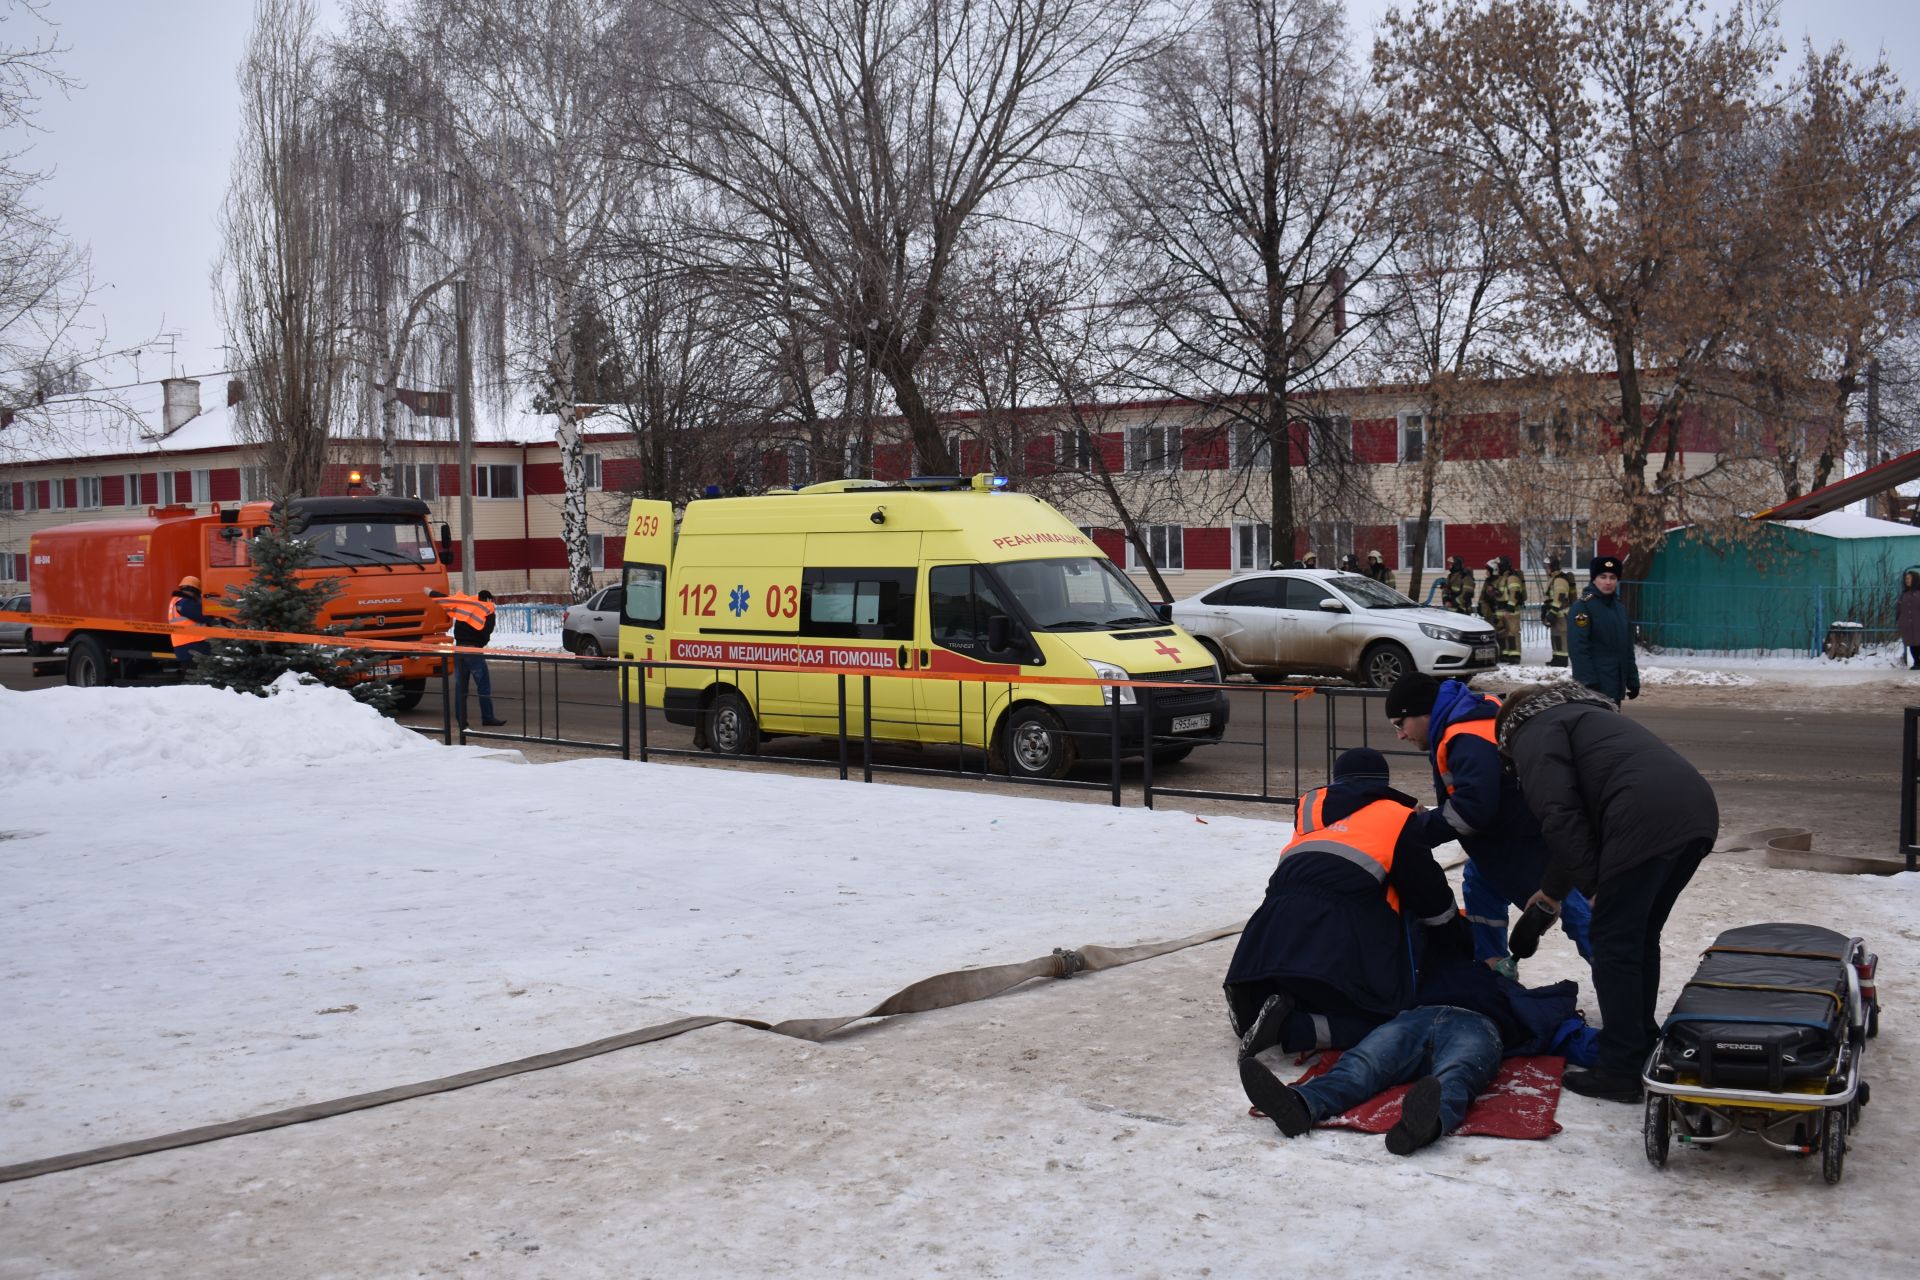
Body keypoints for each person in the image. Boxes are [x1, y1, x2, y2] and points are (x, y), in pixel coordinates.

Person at [1496, 682, 1720, 1101]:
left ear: (1509, 732)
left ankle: (1619, 1069)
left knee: (1613, 940)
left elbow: (1559, 815)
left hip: (1641, 817)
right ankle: (1641, 1040)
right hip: (1695, 812)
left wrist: (1595, 886)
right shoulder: (1583, 716)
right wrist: (1551, 892)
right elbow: (1583, 818)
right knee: (1637, 935)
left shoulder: (1531, 731)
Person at [1224, 748, 1464, 1058]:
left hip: (1265, 943)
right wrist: (1457, 939)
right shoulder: (1396, 818)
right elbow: (1429, 895)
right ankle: (1292, 1029)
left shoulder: (1310, 818)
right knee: (1390, 1018)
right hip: (1337, 943)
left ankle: (1261, 1004)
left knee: (1315, 985)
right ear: (1383, 784)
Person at [1239, 949, 1590, 1156]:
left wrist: (1512, 986)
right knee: (1363, 1064)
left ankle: (1423, 1125)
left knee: (1458, 1073)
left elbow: (1552, 1013)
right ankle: (1299, 1106)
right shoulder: (1436, 968)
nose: (1495, 961)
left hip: (1477, 1025)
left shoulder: (1510, 993)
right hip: (1416, 1017)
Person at [1385, 673, 1592, 968]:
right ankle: (1492, 969)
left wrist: (1417, 832)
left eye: (1399, 724)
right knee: (1480, 886)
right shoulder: (1465, 720)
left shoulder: (1465, 735)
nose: (1400, 735)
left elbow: (1473, 809)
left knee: (1576, 912)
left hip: (1530, 845)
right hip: (1505, 842)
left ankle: (1623, 989)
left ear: (1423, 713)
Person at [433, 587, 508, 729]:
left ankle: (461, 720)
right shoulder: (488, 610)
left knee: (461, 687)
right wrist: (482, 642)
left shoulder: (466, 606)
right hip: (474, 651)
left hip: (459, 650)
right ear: (488, 600)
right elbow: (487, 631)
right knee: (483, 686)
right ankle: (488, 717)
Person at [1568, 554, 1639, 702]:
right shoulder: (1583, 607)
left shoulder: (1619, 609)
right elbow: (1578, 647)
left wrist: (1632, 679)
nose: (1608, 582)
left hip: (1615, 687)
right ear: (1594, 578)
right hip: (1593, 688)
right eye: (1603, 577)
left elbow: (1627, 648)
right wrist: (1587, 681)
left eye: (1612, 577)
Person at [167, 575, 215, 667]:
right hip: (193, 645)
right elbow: (201, 616)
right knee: (199, 675)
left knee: (191, 675)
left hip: (182, 645)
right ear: (195, 590)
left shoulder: (175, 601)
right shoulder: (185, 602)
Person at [1541, 557, 1578, 668]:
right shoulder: (1553, 578)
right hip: (1556, 612)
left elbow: (1559, 598)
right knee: (1555, 636)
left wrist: (1552, 613)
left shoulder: (1560, 580)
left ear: (1553, 567)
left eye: (1547, 567)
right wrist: (1545, 609)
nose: (1546, 569)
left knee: (1561, 636)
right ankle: (1556, 658)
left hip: (1561, 613)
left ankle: (1562, 660)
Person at [1489, 555, 1526, 664]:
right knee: (1503, 633)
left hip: (1511, 610)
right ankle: (1505, 654)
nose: (1497, 568)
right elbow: (1503, 593)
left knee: (1512, 633)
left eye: (1499, 565)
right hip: (1502, 609)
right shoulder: (1502, 578)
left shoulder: (1512, 577)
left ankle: (1514, 656)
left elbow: (1514, 594)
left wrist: (1509, 609)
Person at [1899, 568, 1920, 670]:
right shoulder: (1904, 594)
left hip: (1918, 624)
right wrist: (1900, 620)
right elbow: (1899, 609)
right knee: (1912, 644)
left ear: (1915, 579)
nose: (1907, 580)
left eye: (1909, 578)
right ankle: (1917, 662)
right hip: (1908, 625)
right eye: (1906, 579)